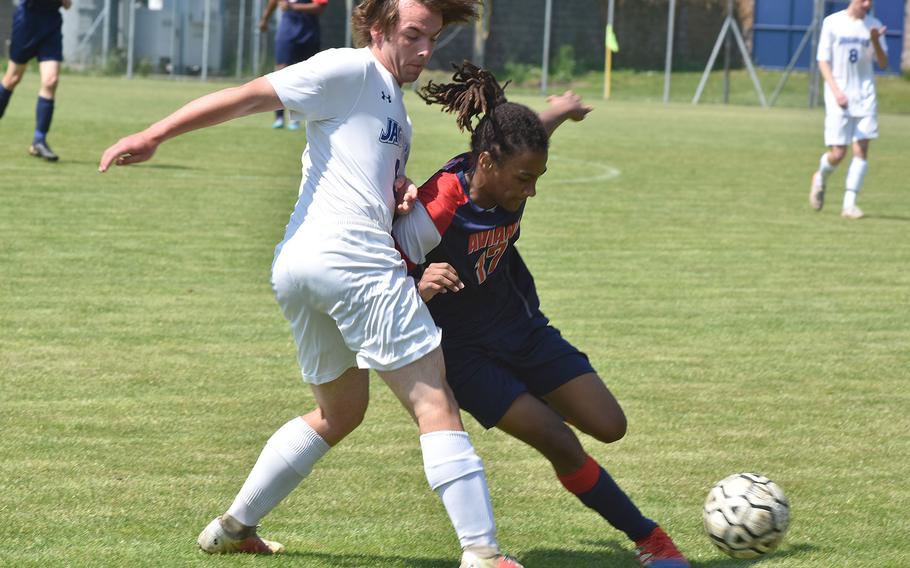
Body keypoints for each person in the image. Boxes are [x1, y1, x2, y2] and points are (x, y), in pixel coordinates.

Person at [98, 2, 523, 567]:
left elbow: (365, 176)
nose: (424, 51)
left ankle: (234, 525)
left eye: (433, 38)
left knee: (339, 411)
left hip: (302, 267)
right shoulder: (348, 69)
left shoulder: (395, 105)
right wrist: (155, 134)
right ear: (378, 31)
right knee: (434, 399)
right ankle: (482, 553)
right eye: (413, 35)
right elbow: (251, 94)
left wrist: (396, 192)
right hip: (351, 262)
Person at [392, 62, 690, 568]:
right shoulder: (437, 205)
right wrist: (418, 284)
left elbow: (530, 137)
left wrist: (558, 112)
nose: (530, 191)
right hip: (464, 355)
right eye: (524, 180)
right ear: (485, 162)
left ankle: (533, 402)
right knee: (559, 440)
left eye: (538, 177)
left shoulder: (510, 154)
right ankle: (650, 539)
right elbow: (377, 274)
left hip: (519, 326)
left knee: (610, 425)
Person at [809, 0, 888, 220]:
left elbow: (883, 63)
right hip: (839, 96)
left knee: (861, 149)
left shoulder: (874, 25)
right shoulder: (832, 22)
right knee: (838, 153)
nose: (867, 4)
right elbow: (823, 60)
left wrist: (876, 41)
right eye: (863, 0)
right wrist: (836, 92)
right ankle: (821, 177)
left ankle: (849, 205)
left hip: (865, 96)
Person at [0, 0, 72, 162]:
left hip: (51, 21)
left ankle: (39, 141)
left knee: (51, 81)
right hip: (28, 20)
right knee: (12, 78)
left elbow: (68, 4)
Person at [258, 0, 328, 130]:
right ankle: (279, 117)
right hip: (287, 31)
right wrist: (265, 19)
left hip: (309, 33)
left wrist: (292, 6)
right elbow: (274, 2)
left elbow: (319, 8)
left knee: (308, 77)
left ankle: (297, 118)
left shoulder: (292, 5)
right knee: (281, 73)